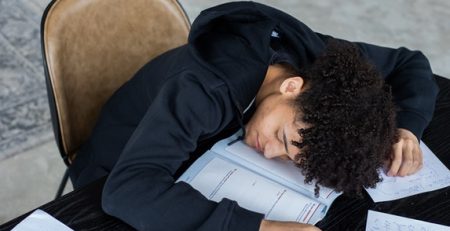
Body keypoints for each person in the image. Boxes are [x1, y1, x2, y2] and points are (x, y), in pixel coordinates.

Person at [68, 2, 438, 231]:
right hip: (111, 169)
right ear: (292, 87)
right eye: (284, 139)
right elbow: (127, 191)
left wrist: (406, 128)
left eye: (293, 160)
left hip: (202, 156)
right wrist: (260, 227)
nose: (270, 153)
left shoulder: (316, 64)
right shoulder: (203, 89)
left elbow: (410, 64)